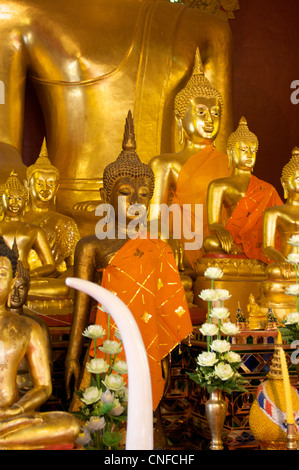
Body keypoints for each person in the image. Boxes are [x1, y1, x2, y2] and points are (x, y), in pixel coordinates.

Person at [0, 0, 233, 223]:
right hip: (71, 214)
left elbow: (218, 161)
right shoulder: (17, 14)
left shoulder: (206, 29)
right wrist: (24, 198)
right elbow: (2, 144)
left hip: (170, 219)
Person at [65, 111, 193, 411]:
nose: (136, 202)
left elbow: (166, 305)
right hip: (107, 347)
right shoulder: (91, 246)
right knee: (100, 420)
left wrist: (164, 356)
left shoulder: (161, 246)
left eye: (144, 195)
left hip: (148, 346)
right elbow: (81, 309)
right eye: (125, 193)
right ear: (105, 195)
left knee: (147, 428)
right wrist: (73, 356)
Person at [148, 48, 231, 267]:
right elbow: (153, 218)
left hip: (218, 245)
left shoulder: (229, 163)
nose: (210, 120)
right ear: (179, 118)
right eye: (201, 112)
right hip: (180, 243)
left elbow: (241, 213)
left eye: (215, 113)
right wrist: (171, 239)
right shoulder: (164, 164)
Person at [0, 237, 80, 449]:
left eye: (1, 274)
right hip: (13, 424)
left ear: (11, 283)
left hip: (12, 417)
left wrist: (17, 410)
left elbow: (44, 386)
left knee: (69, 425)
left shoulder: (29, 327)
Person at [203, 117, 283, 264]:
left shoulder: (267, 189)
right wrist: (220, 230)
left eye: (253, 150)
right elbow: (213, 223)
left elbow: (278, 223)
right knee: (211, 243)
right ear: (231, 152)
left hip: (259, 241)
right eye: (244, 150)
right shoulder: (218, 185)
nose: (249, 154)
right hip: (232, 238)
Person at [0, 170, 69, 299]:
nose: (14, 202)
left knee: (62, 288)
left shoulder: (33, 230)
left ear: (25, 202)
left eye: (19, 198)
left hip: (25, 280)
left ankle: (14, 291)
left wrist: (29, 275)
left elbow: (50, 266)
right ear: (1, 200)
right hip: (1, 278)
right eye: (10, 198)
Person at [25, 138, 80, 275]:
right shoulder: (18, 219)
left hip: (48, 280)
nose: (45, 189)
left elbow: (74, 267)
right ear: (27, 185)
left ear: (57, 188)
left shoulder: (65, 223)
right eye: (40, 183)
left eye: (50, 184)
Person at [263, 147, 299, 279]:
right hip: (286, 267)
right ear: (284, 183)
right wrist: (282, 260)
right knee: (273, 271)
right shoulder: (274, 212)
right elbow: (267, 247)